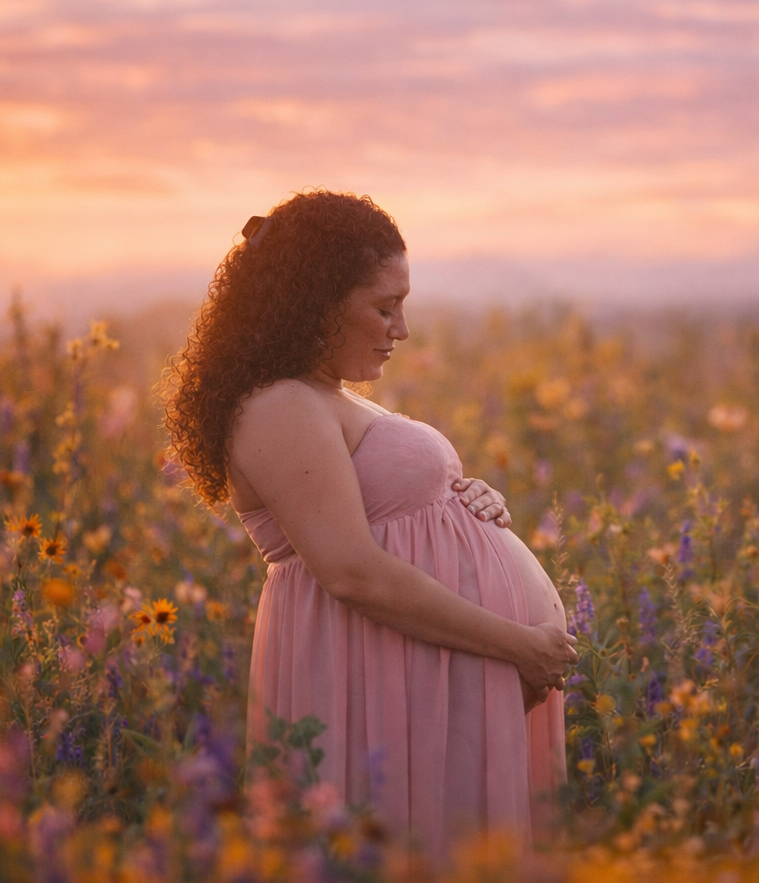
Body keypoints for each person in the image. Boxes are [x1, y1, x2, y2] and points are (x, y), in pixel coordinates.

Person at [162, 190, 575, 858]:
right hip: (386, 672)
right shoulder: (279, 407)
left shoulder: (322, 397)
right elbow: (351, 570)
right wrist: (517, 645)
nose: (400, 330)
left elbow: (391, 510)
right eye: (385, 308)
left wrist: (465, 503)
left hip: (432, 669)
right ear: (319, 305)